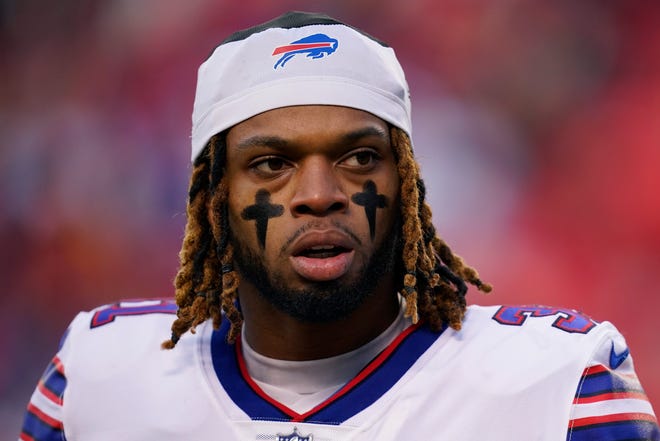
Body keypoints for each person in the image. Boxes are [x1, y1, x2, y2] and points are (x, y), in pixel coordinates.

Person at [20, 11, 658, 441]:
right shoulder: (99, 377)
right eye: (271, 164)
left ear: (406, 184)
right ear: (212, 197)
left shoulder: (562, 385)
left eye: (358, 158)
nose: (319, 196)